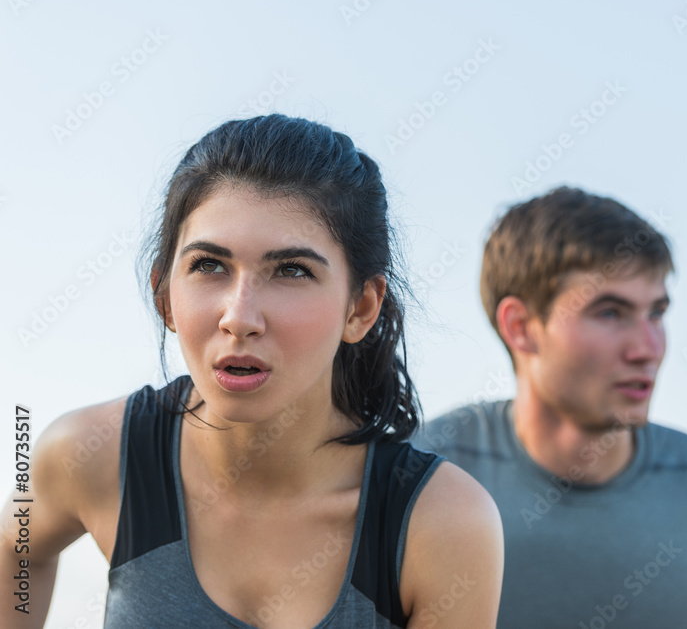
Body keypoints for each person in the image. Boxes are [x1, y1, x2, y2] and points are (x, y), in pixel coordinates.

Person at [1, 114, 503, 629]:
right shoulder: (90, 454)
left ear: (360, 309)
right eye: (209, 265)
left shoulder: (442, 525)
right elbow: (17, 551)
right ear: (164, 296)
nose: (239, 317)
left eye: (291, 270)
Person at [410, 186, 687, 628]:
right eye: (611, 313)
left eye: (656, 313)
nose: (647, 349)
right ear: (521, 327)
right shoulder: (413, 476)